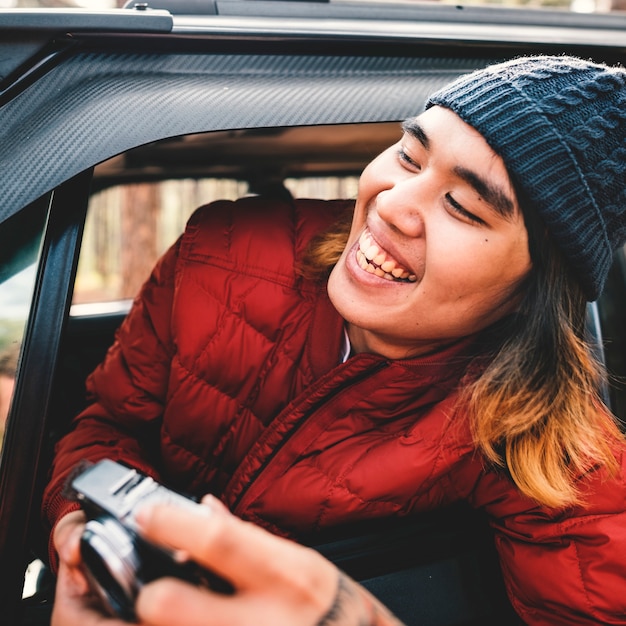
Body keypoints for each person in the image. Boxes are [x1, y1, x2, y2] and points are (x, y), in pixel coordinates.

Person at [45, 54, 626, 625]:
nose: (392, 205)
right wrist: (79, 526)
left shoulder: (548, 439)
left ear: (534, 290)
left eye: (463, 206)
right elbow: (110, 425)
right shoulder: (218, 252)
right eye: (408, 155)